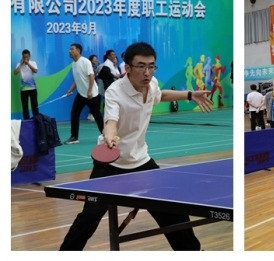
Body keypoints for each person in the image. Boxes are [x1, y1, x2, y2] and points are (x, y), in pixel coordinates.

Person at [59, 41, 211, 250]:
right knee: (90, 216)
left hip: (141, 161)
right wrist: (109, 137)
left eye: (151, 66)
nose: (147, 72)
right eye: (141, 66)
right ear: (128, 68)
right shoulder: (115, 91)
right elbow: (110, 121)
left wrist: (189, 94)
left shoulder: (152, 83)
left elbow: (160, 95)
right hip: (111, 163)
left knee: (173, 211)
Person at [64, 43, 104, 144]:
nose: (69, 51)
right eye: (70, 49)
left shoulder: (85, 61)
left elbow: (91, 76)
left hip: (92, 94)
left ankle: (106, 135)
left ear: (78, 51)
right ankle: (74, 137)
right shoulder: (74, 64)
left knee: (97, 115)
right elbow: (77, 80)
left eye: (72, 49)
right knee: (74, 113)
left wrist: (89, 91)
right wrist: (70, 90)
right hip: (81, 94)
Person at [14, 49, 39, 119]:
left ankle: (36, 120)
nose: (25, 58)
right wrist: (21, 64)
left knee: (34, 105)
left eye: (27, 57)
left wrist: (28, 64)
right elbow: (15, 73)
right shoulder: (19, 64)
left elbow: (35, 71)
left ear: (29, 56)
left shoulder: (33, 63)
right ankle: (27, 121)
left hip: (32, 88)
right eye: (24, 57)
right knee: (25, 107)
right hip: (23, 89)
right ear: (22, 57)